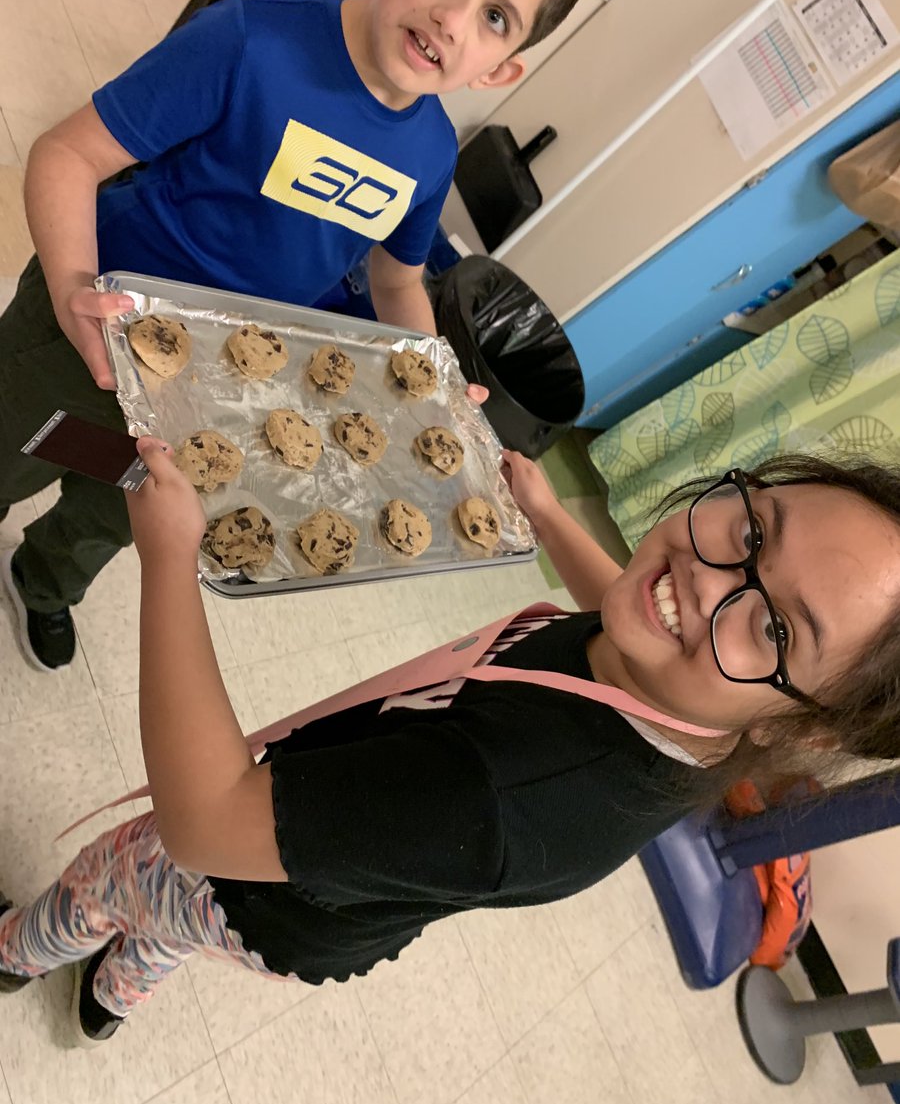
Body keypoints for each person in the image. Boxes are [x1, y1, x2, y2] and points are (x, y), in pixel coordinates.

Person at [2, 439, 900, 1046]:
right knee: (165, 923)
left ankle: (18, 951)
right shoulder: (697, 711)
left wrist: (169, 557)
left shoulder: (506, 798)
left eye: (775, 630)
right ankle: (111, 998)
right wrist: (548, 516)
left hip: (263, 883)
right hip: (327, 861)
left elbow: (202, 823)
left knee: (123, 875)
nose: (707, 580)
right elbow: (623, 609)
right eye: (754, 530)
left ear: (801, 728)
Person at [0, 0, 592, 672]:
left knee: (122, 504)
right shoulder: (248, 42)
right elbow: (68, 153)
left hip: (210, 388)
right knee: (18, 444)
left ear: (499, 70)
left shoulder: (432, 153)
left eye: (496, 16)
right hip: (87, 329)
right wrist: (69, 285)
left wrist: (434, 390)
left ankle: (45, 579)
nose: (453, 16)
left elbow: (398, 282)